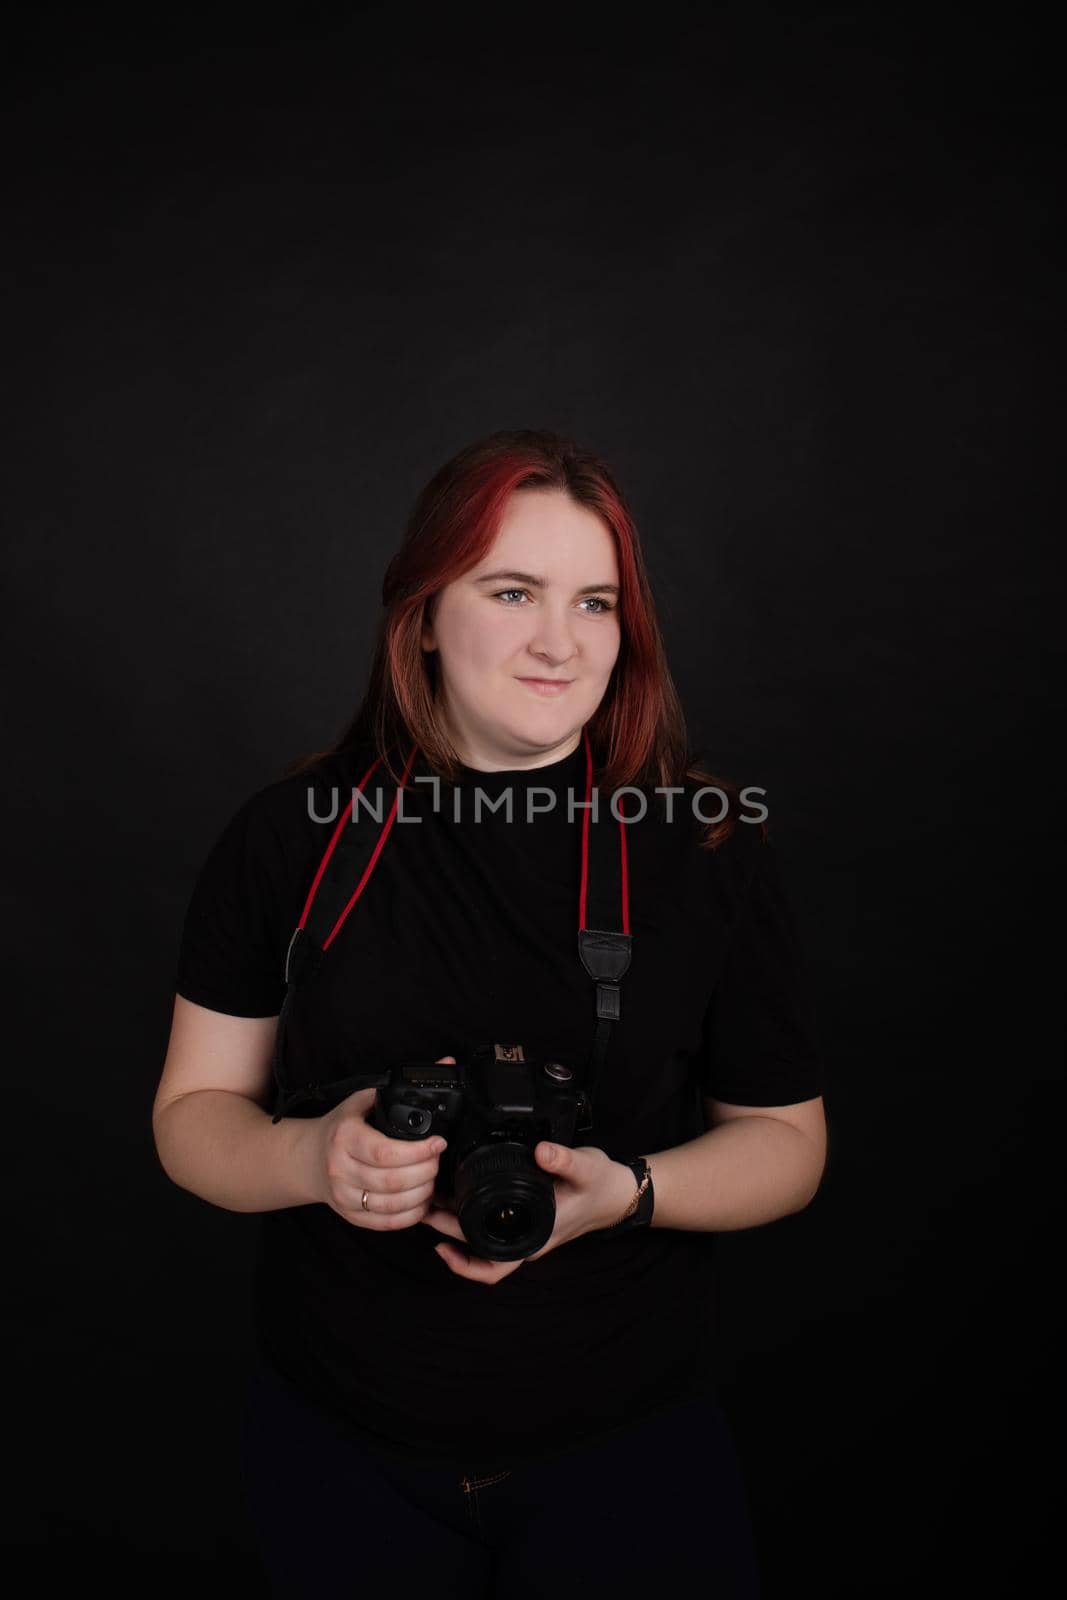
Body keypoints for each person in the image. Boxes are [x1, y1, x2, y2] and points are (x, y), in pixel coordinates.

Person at [152, 427, 828, 1598]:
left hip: (630, 1450)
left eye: (596, 602)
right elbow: (193, 1111)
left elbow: (786, 1142)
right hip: (340, 1450)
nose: (560, 643)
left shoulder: (705, 840)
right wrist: (312, 1155)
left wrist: (628, 1196)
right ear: (421, 611)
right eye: (511, 590)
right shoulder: (290, 836)